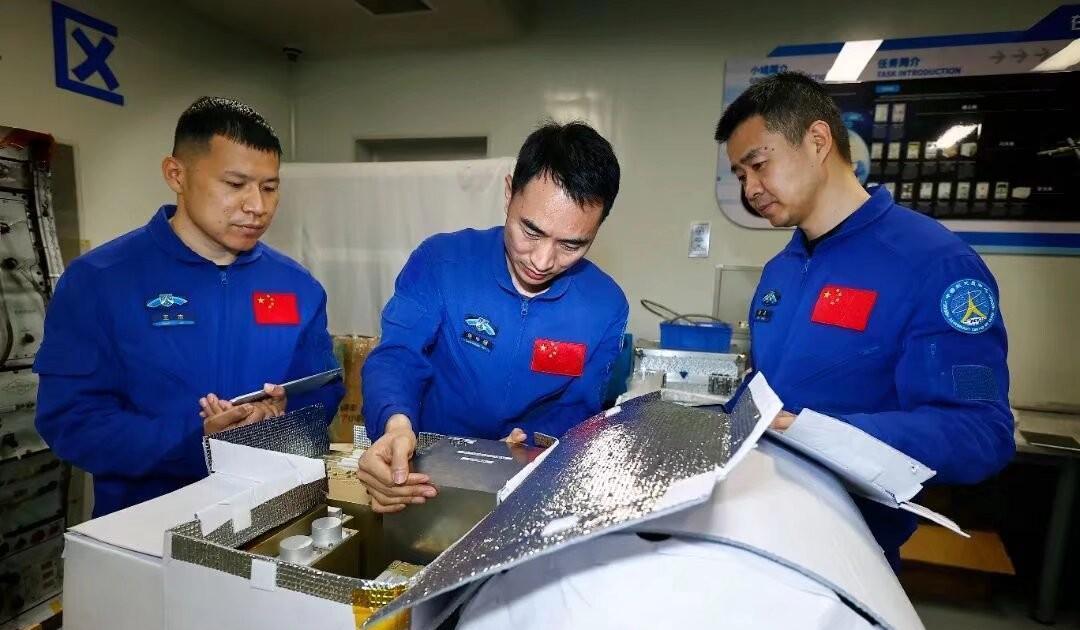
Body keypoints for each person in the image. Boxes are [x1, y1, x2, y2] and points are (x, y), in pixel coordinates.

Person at [714, 72, 1014, 565]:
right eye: (740, 175)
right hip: (761, 529)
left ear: (817, 141)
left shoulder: (935, 265)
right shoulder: (780, 271)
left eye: (758, 165)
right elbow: (771, 392)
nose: (750, 189)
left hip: (851, 550)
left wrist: (820, 434)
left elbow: (981, 431)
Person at [34, 97, 344, 517]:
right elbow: (72, 420)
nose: (257, 206)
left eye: (270, 188)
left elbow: (322, 389)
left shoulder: (296, 286)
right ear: (176, 175)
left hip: (272, 511)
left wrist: (280, 417)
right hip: (146, 520)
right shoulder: (101, 280)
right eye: (235, 184)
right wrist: (196, 439)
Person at [357, 121, 628, 513]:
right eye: (530, 231)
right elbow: (397, 355)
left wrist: (532, 442)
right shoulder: (442, 262)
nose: (542, 261)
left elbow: (578, 407)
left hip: (526, 486)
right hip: (424, 477)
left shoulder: (605, 306)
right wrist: (395, 424)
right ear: (508, 193)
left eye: (571, 245)